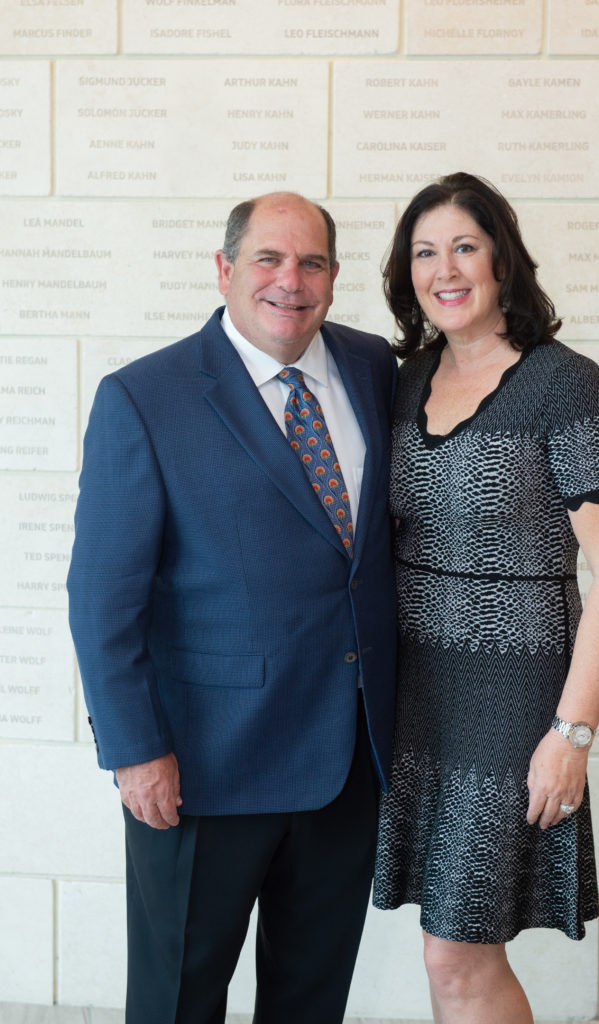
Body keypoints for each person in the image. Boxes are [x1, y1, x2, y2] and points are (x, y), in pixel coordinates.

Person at [67, 191, 397, 1024]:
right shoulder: (145, 397)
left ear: (334, 276)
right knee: (177, 1001)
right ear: (224, 269)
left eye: (312, 263)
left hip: (347, 764)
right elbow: (101, 598)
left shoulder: (374, 369)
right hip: (201, 770)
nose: (291, 281)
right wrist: (136, 751)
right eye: (268, 259)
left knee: (310, 1002)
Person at [372, 172, 599, 1023]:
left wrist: (572, 734)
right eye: (425, 252)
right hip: (419, 697)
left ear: (503, 259)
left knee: (456, 951)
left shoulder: (566, 383)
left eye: (465, 246)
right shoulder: (405, 380)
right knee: (448, 948)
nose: (444, 269)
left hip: (515, 702)